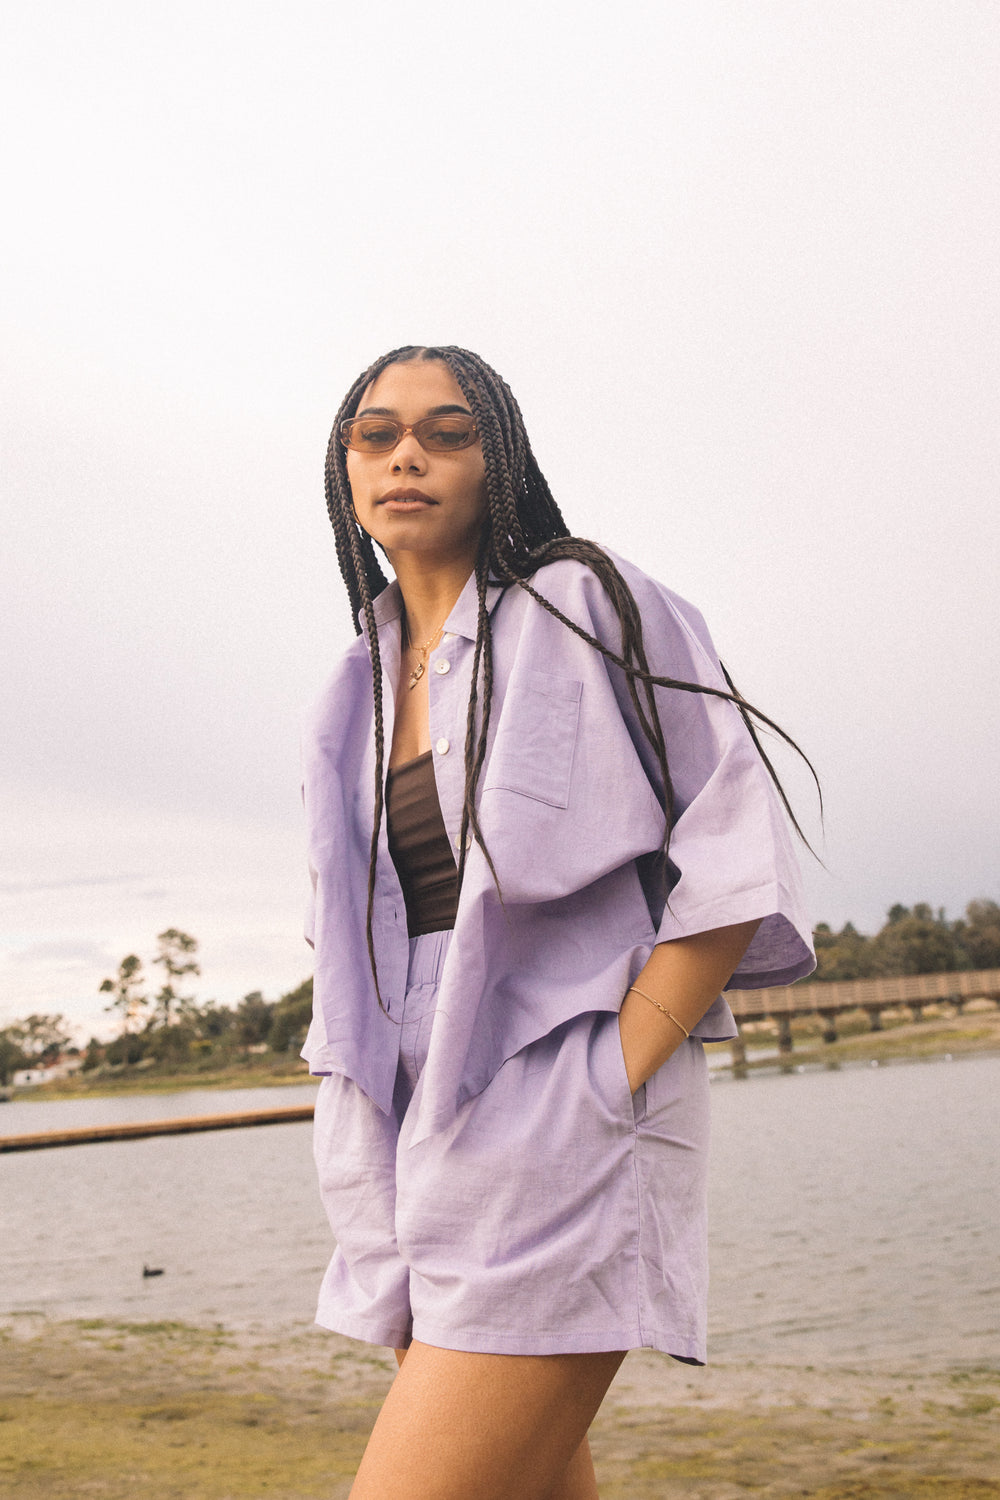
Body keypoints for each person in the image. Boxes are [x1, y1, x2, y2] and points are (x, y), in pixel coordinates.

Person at [301, 344, 816, 1499]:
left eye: (447, 431)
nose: (406, 456)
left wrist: (610, 1074)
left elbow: (733, 848)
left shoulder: (585, 603)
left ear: (499, 459)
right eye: (376, 433)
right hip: (400, 1135)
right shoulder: (352, 684)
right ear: (344, 469)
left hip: (559, 1106)